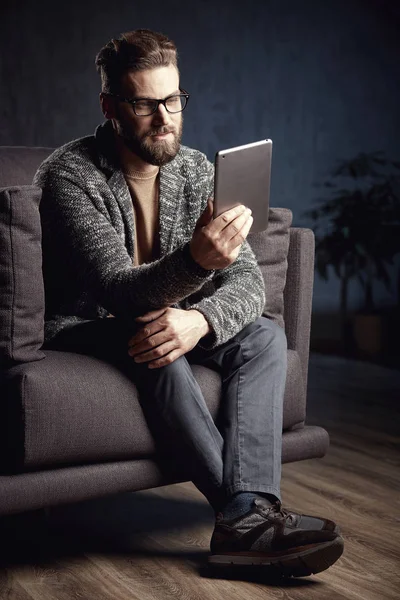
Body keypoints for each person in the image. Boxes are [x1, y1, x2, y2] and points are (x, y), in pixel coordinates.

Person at [34, 29, 344, 577]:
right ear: (111, 107)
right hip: (87, 324)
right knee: (152, 335)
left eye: (173, 100)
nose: (165, 118)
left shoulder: (197, 169)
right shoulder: (68, 175)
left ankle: (245, 519)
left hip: (176, 317)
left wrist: (201, 318)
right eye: (145, 104)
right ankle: (247, 516)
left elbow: (250, 284)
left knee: (267, 334)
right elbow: (118, 289)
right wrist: (198, 263)